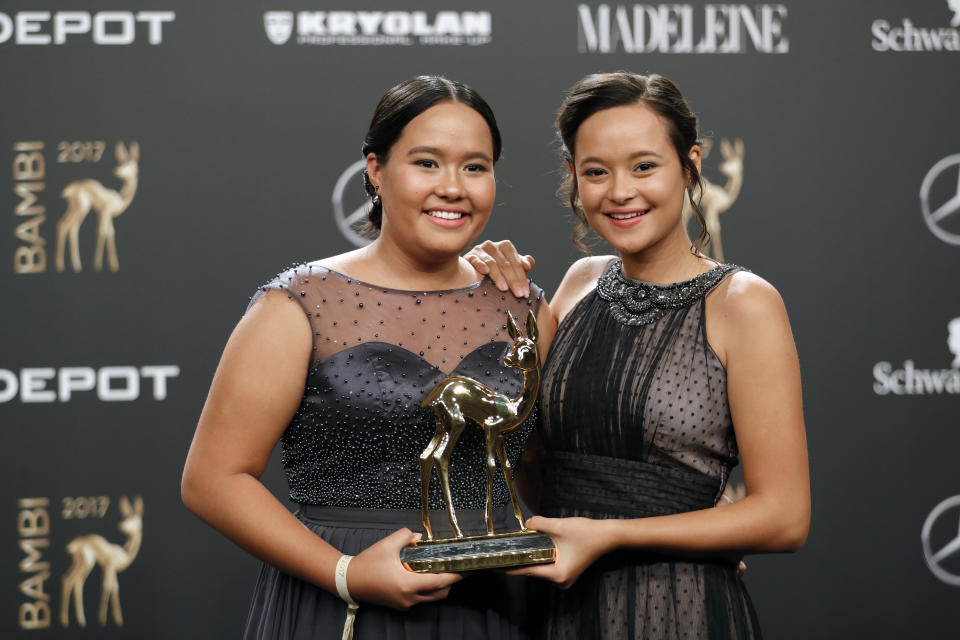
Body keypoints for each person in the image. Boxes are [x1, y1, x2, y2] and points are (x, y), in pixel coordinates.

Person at [181, 76, 550, 640]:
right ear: (375, 171)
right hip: (344, 602)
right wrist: (346, 574)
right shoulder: (298, 303)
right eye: (427, 163)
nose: (453, 187)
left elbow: (549, 468)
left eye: (475, 167)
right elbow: (212, 480)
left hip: (498, 601)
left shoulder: (525, 306)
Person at [465, 71, 810, 639]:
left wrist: (615, 534)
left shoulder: (744, 303)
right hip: (556, 607)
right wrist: (482, 298)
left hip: (679, 608)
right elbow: (534, 462)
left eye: (644, 166)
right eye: (596, 172)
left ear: (691, 165)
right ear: (575, 179)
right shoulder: (575, 285)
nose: (620, 191)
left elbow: (785, 518)